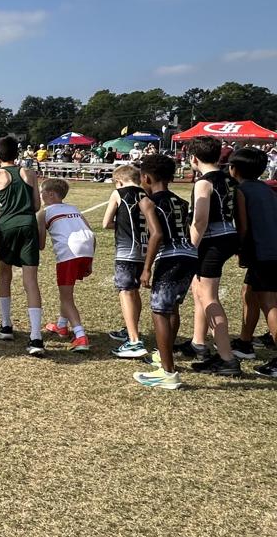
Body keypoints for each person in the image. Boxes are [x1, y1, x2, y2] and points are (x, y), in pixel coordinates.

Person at [132, 154, 198, 390]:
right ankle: (164, 356)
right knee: (172, 308)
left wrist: (146, 268)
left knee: (160, 311)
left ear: (146, 178)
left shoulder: (147, 202)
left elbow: (157, 234)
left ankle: (167, 372)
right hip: (190, 253)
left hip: (170, 256)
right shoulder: (181, 201)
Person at [185, 136, 241, 375]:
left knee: (209, 297)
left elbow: (200, 220)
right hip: (229, 235)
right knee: (199, 290)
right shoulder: (230, 179)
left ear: (194, 158)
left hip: (213, 241)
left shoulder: (203, 183)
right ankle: (199, 343)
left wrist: (189, 250)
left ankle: (227, 359)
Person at [0, 136, 44, 356]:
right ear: (17, 153)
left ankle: (6, 324)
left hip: (6, 226)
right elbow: (36, 205)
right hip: (28, 225)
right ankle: (36, 336)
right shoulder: (29, 173)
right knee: (31, 281)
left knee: (4, 275)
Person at [226, 148, 277, 378]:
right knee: (249, 292)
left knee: (270, 304)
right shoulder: (267, 189)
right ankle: (245, 342)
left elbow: (243, 227)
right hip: (269, 251)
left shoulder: (241, 191)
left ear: (234, 169)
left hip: (264, 253)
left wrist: (239, 249)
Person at [102, 164, 162, 358]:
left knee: (126, 292)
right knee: (134, 291)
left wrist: (122, 225)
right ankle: (131, 329)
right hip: (145, 250)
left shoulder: (118, 193)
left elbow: (106, 223)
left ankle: (134, 340)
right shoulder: (148, 194)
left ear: (119, 181)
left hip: (126, 251)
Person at [37, 178, 96, 351]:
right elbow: (91, 233)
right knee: (67, 293)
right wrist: (90, 262)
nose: (39, 196)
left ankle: (80, 336)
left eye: (41, 193)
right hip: (87, 249)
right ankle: (61, 326)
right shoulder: (73, 208)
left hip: (69, 253)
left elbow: (41, 244)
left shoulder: (44, 212)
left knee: (66, 298)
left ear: (50, 194)